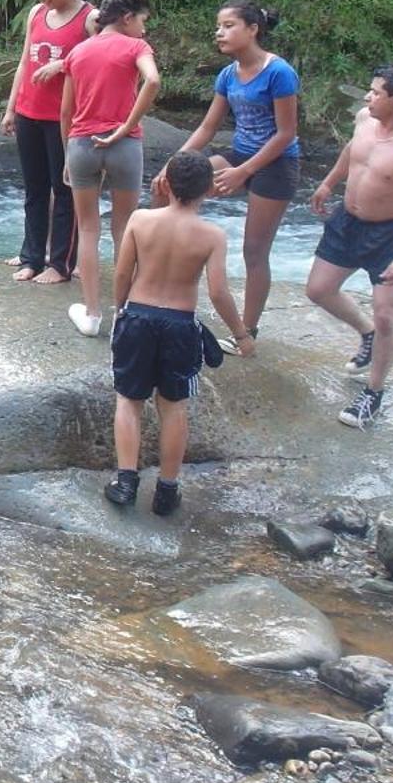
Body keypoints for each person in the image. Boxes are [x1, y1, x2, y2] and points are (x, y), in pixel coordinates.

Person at [103, 151, 254, 516]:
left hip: (138, 317)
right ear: (208, 190)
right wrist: (241, 333)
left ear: (166, 184)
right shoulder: (212, 235)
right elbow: (218, 291)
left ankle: (125, 481)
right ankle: (167, 490)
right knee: (174, 408)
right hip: (181, 325)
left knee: (129, 400)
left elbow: (123, 273)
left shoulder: (140, 220)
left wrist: (119, 310)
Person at [306, 65, 393, 430]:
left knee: (387, 316)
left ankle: (373, 393)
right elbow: (356, 151)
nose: (367, 97)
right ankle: (365, 334)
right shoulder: (367, 118)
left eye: (375, 92)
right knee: (318, 290)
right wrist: (329, 182)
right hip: (349, 221)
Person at [154, 0, 299, 341]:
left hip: (276, 163)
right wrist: (172, 163)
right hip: (239, 155)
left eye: (229, 25)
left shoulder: (279, 72)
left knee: (254, 250)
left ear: (253, 29)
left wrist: (243, 172)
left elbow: (286, 133)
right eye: (218, 26)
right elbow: (207, 128)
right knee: (165, 186)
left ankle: (246, 331)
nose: (219, 32)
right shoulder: (227, 74)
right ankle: (157, 285)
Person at [59, 0, 161, 337]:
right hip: (124, 146)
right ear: (127, 17)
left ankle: (91, 315)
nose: (145, 30)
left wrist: (67, 156)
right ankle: (125, 311)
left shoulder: (78, 51)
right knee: (124, 230)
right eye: (143, 20)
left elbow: (66, 112)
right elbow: (153, 80)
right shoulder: (136, 48)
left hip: (82, 145)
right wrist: (126, 128)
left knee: (88, 230)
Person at [0, 0, 96, 284]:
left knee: (64, 189)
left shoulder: (90, 18)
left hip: (65, 119)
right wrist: (12, 107)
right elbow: (25, 63)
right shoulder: (37, 13)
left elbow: (104, 62)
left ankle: (60, 264)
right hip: (30, 112)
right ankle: (32, 256)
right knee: (34, 189)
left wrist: (64, 64)